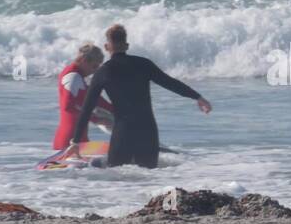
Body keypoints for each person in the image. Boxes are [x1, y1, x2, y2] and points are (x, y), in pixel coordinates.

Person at [66, 24, 211, 168]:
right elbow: (170, 83)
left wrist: (76, 142)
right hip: (147, 130)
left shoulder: (103, 72)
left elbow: (87, 108)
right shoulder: (144, 64)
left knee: (117, 177)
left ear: (106, 46)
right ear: (127, 45)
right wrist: (198, 97)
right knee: (149, 177)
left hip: (123, 132)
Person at [52, 43, 114, 150]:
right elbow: (68, 106)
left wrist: (114, 109)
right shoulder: (73, 77)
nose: (95, 71)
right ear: (84, 60)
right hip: (70, 143)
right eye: (94, 66)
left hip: (77, 141)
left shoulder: (77, 76)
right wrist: (96, 119)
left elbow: (95, 99)